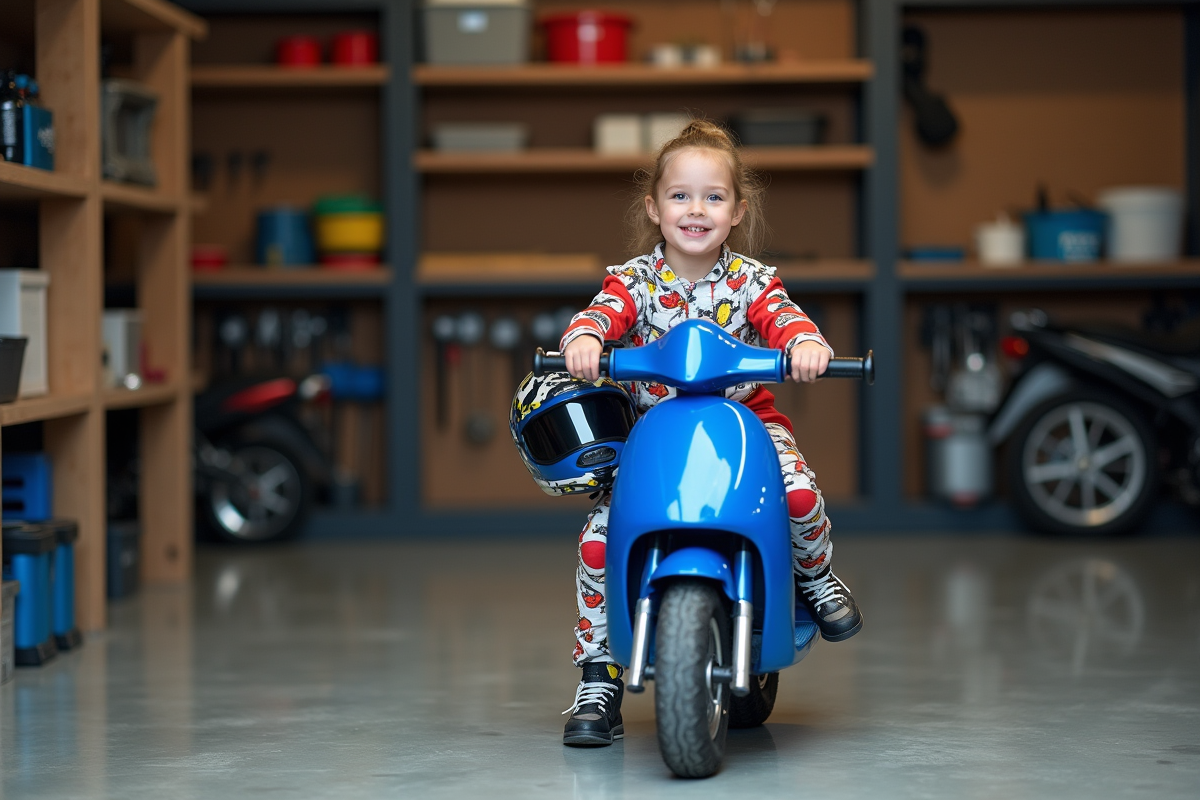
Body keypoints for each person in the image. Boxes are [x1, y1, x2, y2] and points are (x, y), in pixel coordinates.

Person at [557, 119, 863, 747]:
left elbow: (784, 317)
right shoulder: (634, 280)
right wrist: (585, 338)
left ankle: (813, 575)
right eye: (680, 196)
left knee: (798, 494)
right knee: (598, 542)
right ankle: (599, 674)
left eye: (713, 197)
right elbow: (601, 313)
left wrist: (805, 344)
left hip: (747, 427)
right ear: (654, 207)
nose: (696, 209)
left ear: (736, 211)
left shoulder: (752, 281)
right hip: (652, 437)